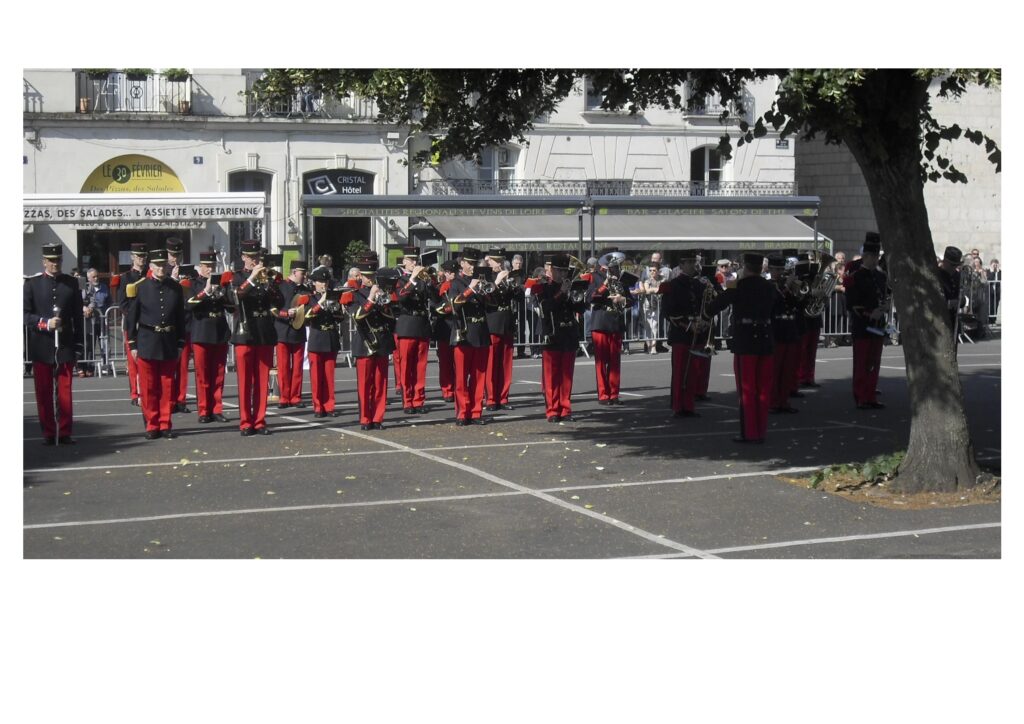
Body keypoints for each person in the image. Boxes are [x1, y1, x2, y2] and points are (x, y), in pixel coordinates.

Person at [705, 253, 781, 443]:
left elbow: (717, 304)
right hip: (765, 338)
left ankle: (749, 432)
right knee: (763, 389)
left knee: (747, 390)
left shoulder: (737, 284)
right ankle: (761, 431)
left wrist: (705, 313)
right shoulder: (769, 286)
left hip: (745, 340)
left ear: (745, 267)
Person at [24, 242, 83, 445]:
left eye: (57, 260)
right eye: (51, 260)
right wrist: (45, 323)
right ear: (44, 262)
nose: (54, 263)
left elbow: (77, 317)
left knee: (64, 391)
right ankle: (49, 432)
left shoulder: (71, 283)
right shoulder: (32, 284)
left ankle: (64, 431)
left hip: (65, 344)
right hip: (42, 345)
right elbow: (24, 315)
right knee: (44, 392)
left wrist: (79, 344)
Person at [125, 247, 186, 440]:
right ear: (150, 266)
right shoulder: (141, 287)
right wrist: (133, 344)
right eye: (157, 265)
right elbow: (131, 319)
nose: (161, 268)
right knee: (149, 387)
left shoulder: (175, 288)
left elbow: (180, 318)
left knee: (167, 386)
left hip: (168, 341)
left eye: (163, 265)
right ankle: (152, 424)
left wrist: (180, 343)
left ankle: (165, 423)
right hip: (147, 340)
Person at [230, 240, 284, 436]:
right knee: (245, 381)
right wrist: (252, 278)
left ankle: (260, 420)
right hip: (245, 333)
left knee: (262, 381)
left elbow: (280, 301)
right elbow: (235, 297)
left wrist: (270, 285)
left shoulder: (267, 277)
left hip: (264, 333)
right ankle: (246, 422)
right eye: (251, 257)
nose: (255, 260)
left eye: (257, 257)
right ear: (244, 257)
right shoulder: (237, 277)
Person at [342, 256, 396, 430]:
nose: (370, 279)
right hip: (364, 341)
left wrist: (384, 302)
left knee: (380, 383)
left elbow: (392, 317)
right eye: (367, 276)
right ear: (360, 276)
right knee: (365, 385)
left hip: (382, 340)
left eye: (372, 276)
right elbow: (357, 316)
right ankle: (365, 418)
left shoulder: (383, 291)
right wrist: (372, 298)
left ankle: (378, 417)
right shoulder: (353, 294)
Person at [533, 254, 587, 422]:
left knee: (566, 375)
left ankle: (565, 409)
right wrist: (561, 292)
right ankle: (552, 410)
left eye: (565, 271)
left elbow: (580, 309)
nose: (563, 274)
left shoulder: (570, 286)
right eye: (559, 271)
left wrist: (577, 295)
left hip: (569, 334)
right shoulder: (543, 287)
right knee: (551, 376)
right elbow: (545, 307)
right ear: (552, 270)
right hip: (552, 335)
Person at [658, 250, 707, 417]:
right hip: (681, 333)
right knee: (680, 372)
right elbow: (668, 312)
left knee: (693, 372)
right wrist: (688, 325)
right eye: (690, 262)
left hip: (697, 333)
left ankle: (689, 405)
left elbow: (705, 306)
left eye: (695, 262)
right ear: (682, 265)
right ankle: (678, 406)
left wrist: (703, 321)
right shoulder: (673, 285)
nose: (694, 265)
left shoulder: (699, 284)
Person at [447, 247, 492, 425]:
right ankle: (462, 413)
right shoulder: (456, 283)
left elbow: (493, 304)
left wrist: (489, 288)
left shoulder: (481, 280)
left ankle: (475, 412)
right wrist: (470, 289)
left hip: (480, 332)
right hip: (463, 333)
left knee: (479, 376)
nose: (473, 267)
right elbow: (453, 305)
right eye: (470, 263)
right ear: (463, 263)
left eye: (475, 263)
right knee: (461, 377)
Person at [187, 251, 233, 424]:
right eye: (207, 266)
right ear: (201, 267)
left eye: (212, 266)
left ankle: (217, 409)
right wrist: (206, 291)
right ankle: (204, 410)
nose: (210, 269)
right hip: (202, 332)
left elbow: (231, 308)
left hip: (220, 332)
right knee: (203, 375)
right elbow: (189, 305)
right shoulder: (194, 283)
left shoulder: (220, 284)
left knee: (218, 374)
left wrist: (226, 291)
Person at [846, 233, 889, 409]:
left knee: (874, 362)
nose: (875, 260)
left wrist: (884, 308)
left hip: (878, 324)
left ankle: (871, 395)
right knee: (862, 362)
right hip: (863, 325)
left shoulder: (880, 276)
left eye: (877, 256)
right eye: (873, 256)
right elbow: (852, 304)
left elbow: (883, 296)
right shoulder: (855, 277)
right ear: (866, 256)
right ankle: (861, 397)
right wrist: (870, 314)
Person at [587, 251, 632, 406]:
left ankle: (614, 394)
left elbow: (631, 300)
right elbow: (590, 297)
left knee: (615, 361)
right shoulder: (595, 277)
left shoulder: (621, 278)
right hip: (600, 323)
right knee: (601, 362)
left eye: (616, 264)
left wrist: (622, 299)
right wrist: (605, 284)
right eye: (612, 264)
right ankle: (603, 394)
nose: (615, 267)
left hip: (616, 323)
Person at [394, 246, 433, 414]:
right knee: (406, 366)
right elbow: (402, 296)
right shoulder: (400, 280)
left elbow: (434, 296)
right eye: (411, 260)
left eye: (416, 260)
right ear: (404, 262)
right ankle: (408, 401)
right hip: (407, 325)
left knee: (420, 366)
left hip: (422, 325)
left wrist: (430, 282)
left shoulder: (423, 280)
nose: (414, 263)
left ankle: (419, 400)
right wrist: (413, 279)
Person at [304, 267, 345, 417]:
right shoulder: (309, 298)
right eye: (321, 282)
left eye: (326, 282)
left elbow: (340, 319)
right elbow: (307, 317)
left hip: (331, 338)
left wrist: (337, 308)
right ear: (314, 283)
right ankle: (318, 407)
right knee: (316, 376)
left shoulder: (333, 297)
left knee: (329, 376)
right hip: (317, 338)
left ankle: (329, 406)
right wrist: (321, 303)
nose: (324, 284)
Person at [765, 255, 801, 414]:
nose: (780, 272)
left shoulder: (787, 285)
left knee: (788, 369)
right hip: (776, 329)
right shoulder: (768, 285)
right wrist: (786, 286)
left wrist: (797, 292)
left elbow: (797, 304)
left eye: (781, 269)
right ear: (770, 269)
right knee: (775, 369)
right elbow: (774, 301)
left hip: (790, 328)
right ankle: (773, 401)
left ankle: (784, 401)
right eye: (777, 269)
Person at [483, 247, 517, 411]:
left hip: (507, 323)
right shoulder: (485, 277)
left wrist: (514, 284)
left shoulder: (507, 276)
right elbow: (486, 299)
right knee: (491, 364)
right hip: (492, 324)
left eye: (501, 261)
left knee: (506, 363)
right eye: (497, 261)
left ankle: (503, 397)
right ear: (490, 261)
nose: (499, 264)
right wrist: (496, 282)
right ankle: (490, 398)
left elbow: (517, 297)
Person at [274, 259, 309, 409]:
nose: (305, 276)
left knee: (298, 367)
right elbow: (273, 308)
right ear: (294, 272)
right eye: (303, 273)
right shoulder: (280, 286)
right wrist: (285, 313)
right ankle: (284, 397)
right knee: (283, 367)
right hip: (282, 330)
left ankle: (295, 397)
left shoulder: (306, 289)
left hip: (298, 330)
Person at [117, 242, 149, 406]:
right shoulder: (126, 278)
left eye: (143, 256)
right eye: (138, 256)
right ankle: (135, 394)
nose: (141, 259)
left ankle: (145, 391)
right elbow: (122, 303)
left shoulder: (150, 276)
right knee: (133, 361)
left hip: (147, 323)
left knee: (146, 360)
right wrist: (133, 317)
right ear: (132, 257)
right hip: (132, 324)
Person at [165, 237, 193, 414]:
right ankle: (169, 400)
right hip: (169, 323)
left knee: (183, 365)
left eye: (178, 255)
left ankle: (181, 399)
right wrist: (173, 279)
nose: (175, 258)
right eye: (172, 255)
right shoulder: (162, 271)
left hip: (185, 321)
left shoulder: (189, 271)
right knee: (169, 365)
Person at [433, 260, 459, 403]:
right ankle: (447, 390)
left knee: (458, 362)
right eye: (448, 272)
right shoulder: (440, 288)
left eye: (452, 273)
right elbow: (435, 306)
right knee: (445, 361)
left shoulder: (460, 285)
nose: (450, 275)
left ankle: (457, 388)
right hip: (445, 327)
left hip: (458, 326)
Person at [79, 268, 109, 377]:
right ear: (88, 278)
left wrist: (104, 312)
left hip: (101, 320)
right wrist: (84, 308)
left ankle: (105, 367)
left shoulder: (104, 287)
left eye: (97, 276)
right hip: (88, 321)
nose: (96, 278)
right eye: (93, 277)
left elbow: (107, 302)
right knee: (89, 345)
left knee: (104, 344)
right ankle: (87, 367)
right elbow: (79, 299)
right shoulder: (83, 286)